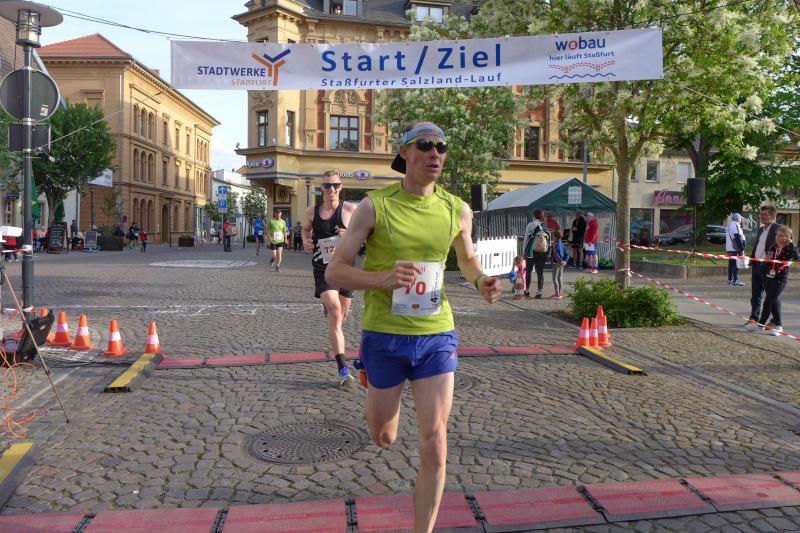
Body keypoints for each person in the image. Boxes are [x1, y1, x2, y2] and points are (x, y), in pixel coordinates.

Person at [326, 121, 502, 533]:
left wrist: (481, 281)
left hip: (435, 334)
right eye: (425, 145)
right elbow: (336, 271)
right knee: (383, 436)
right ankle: (374, 388)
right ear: (404, 152)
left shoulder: (457, 209)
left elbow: (466, 259)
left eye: (441, 146)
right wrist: (383, 278)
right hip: (384, 336)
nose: (435, 153)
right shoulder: (374, 206)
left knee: (435, 442)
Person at [302, 170, 357, 386]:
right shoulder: (312, 211)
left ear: (341, 187)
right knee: (335, 312)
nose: (331, 189)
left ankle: (330, 305)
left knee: (342, 316)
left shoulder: (350, 210)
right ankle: (343, 369)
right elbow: (305, 231)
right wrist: (306, 242)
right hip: (323, 268)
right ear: (321, 188)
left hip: (346, 268)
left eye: (335, 185)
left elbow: (366, 235)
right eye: (327, 186)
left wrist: (350, 235)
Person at [752, 225, 798, 336]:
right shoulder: (774, 246)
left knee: (769, 300)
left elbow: (797, 257)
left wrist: (791, 244)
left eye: (781, 235)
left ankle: (770, 325)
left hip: (781, 278)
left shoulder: (790, 247)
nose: (778, 237)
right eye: (777, 235)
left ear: (788, 237)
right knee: (774, 300)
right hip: (769, 276)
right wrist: (766, 263)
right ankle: (771, 325)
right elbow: (768, 259)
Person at [745, 205, 778, 329]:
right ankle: (754, 318)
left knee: (771, 295)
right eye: (761, 214)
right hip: (757, 265)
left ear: (772, 216)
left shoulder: (778, 228)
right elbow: (758, 246)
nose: (762, 217)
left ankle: (775, 321)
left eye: (765, 214)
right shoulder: (760, 229)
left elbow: (780, 245)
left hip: (768, 266)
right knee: (756, 294)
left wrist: (770, 256)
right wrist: (752, 259)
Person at [521, 208, 549, 299]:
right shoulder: (544, 226)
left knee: (528, 271)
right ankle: (539, 292)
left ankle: (527, 290)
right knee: (540, 272)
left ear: (534, 216)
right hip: (542, 252)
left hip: (531, 251)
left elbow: (526, 238)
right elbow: (548, 239)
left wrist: (524, 251)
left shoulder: (530, 225)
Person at [725, 213, 746, 287]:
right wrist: (741, 248)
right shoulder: (735, 225)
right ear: (737, 219)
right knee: (736, 265)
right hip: (735, 249)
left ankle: (730, 280)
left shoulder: (729, 225)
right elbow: (737, 237)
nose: (741, 220)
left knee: (731, 264)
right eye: (740, 218)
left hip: (730, 248)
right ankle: (735, 280)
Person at [550, 230, 569, 299]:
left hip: (557, 263)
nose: (552, 237)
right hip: (562, 263)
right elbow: (567, 253)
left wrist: (560, 261)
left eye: (553, 236)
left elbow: (556, 255)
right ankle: (560, 293)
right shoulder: (561, 243)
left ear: (555, 237)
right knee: (560, 278)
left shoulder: (555, 245)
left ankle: (557, 293)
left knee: (554, 278)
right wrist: (565, 261)